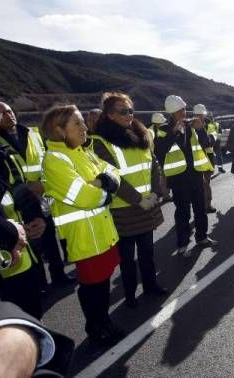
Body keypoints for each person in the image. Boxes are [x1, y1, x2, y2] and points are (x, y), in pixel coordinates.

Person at [41, 104, 124, 346]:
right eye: (77, 123)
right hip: (84, 237)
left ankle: (104, 322)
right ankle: (95, 329)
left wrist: (98, 183)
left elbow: (113, 173)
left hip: (103, 231)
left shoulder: (83, 151)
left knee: (103, 283)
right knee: (92, 287)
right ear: (59, 130)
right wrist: (104, 189)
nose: (85, 127)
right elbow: (83, 197)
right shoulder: (55, 159)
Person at [91, 93, 169, 309]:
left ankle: (151, 286)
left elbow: (153, 164)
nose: (129, 115)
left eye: (131, 110)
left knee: (147, 252)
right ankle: (130, 295)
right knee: (126, 259)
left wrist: (155, 192)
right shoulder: (100, 142)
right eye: (123, 111)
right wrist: (138, 200)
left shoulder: (141, 133)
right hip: (123, 210)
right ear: (109, 115)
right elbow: (112, 177)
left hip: (147, 205)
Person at [0, 102, 74, 288]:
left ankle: (59, 275)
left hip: (43, 194)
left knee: (49, 236)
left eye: (9, 111)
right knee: (32, 241)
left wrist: (44, 185)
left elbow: (47, 160)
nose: (8, 115)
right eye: (2, 113)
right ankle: (41, 284)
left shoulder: (34, 134)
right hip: (21, 200)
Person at [0, 101, 43, 319]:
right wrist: (11, 235)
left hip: (21, 257)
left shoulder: (0, 154)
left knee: (31, 316)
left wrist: (37, 216)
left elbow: (18, 189)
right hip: (0, 266)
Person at [155, 95, 217, 256]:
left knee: (200, 208)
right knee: (183, 212)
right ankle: (182, 244)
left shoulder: (191, 126)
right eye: (179, 110)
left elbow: (206, 144)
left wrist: (200, 128)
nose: (183, 112)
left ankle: (202, 237)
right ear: (172, 113)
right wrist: (173, 132)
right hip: (178, 178)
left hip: (195, 174)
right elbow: (159, 151)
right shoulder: (163, 129)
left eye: (184, 109)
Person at [193, 104, 217, 213]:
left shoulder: (210, 125)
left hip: (208, 158)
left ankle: (208, 205)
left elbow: (209, 142)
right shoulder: (190, 126)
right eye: (197, 114)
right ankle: (201, 205)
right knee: (199, 185)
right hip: (195, 159)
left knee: (206, 183)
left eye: (201, 114)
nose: (199, 116)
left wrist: (201, 130)